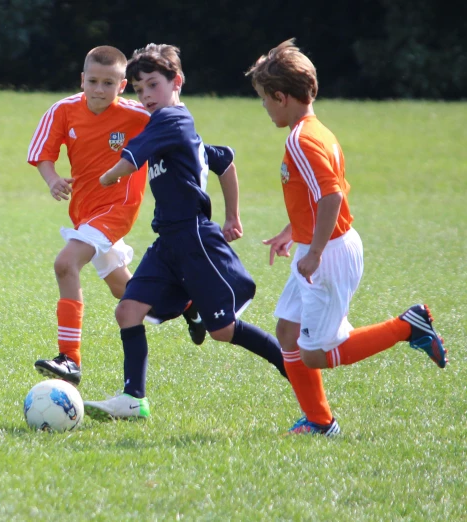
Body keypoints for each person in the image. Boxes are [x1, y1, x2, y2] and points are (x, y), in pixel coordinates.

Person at [245, 39, 447, 436]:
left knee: (318, 354)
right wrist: (294, 232)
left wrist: (315, 250)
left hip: (330, 252)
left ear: (282, 97)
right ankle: (320, 422)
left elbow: (332, 194)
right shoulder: (316, 129)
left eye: (265, 100)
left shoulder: (300, 139)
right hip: (318, 244)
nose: (265, 108)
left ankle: (409, 325)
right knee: (287, 330)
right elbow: (319, 194)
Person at [82, 43, 288, 421]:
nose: (145, 96)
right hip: (167, 242)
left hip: (193, 238)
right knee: (128, 310)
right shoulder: (175, 129)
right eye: (140, 89)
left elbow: (131, 158)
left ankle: (291, 365)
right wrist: (234, 216)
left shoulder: (171, 121)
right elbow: (223, 160)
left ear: (176, 81)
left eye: (153, 86)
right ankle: (133, 398)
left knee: (224, 330)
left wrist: (110, 175)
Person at [27, 45, 205, 387]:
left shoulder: (139, 116)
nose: (99, 89)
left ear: (121, 86)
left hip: (116, 210)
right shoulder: (63, 110)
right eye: (92, 81)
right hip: (84, 211)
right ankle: (188, 305)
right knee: (124, 290)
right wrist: (52, 180)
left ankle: (69, 359)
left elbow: (179, 133)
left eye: (108, 83)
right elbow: (42, 154)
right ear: (82, 79)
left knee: (66, 264)